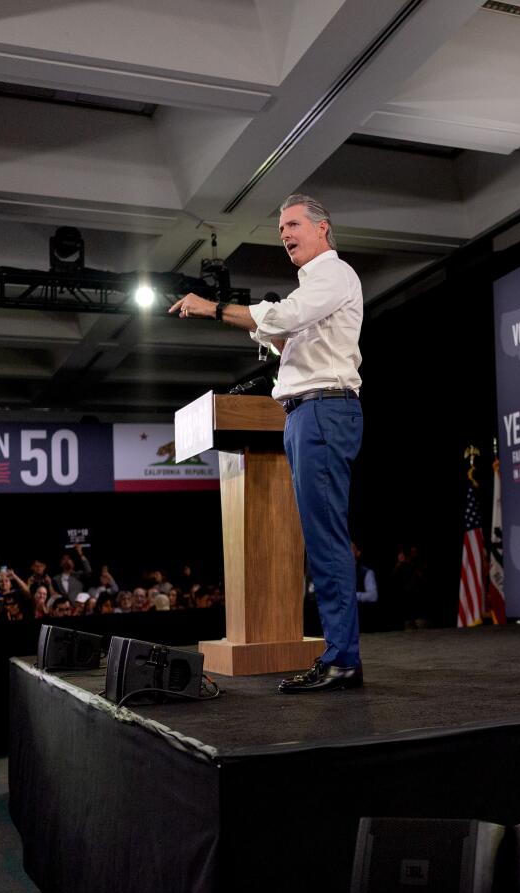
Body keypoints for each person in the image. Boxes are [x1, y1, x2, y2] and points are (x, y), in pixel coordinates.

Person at [169, 193, 364, 693]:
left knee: (325, 539)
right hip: (305, 414)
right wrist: (264, 329)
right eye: (281, 228)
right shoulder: (315, 285)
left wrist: (214, 309)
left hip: (322, 410)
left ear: (323, 229)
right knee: (320, 537)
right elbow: (282, 334)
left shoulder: (332, 274)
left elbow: (281, 318)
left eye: (293, 224)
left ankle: (343, 659)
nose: (285, 234)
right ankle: (339, 655)